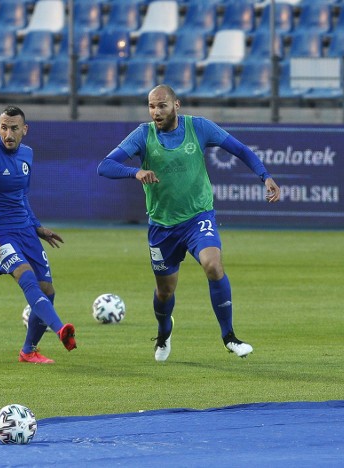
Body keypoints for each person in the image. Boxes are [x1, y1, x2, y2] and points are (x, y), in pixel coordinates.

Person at [97, 85, 281, 361]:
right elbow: (105, 166)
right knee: (165, 290)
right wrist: (135, 172)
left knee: (213, 265)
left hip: (198, 217)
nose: (156, 112)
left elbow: (239, 149)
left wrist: (264, 176)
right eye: (151, 106)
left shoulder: (199, 127)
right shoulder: (143, 134)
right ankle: (163, 333)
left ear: (176, 105)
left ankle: (229, 336)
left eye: (162, 106)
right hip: (161, 225)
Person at [0, 105, 76, 364]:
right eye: (3, 127)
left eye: (14, 128)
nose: (8, 133)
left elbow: (21, 197)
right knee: (27, 278)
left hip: (26, 230)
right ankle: (61, 329)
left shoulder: (27, 154)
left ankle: (28, 351)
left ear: (24, 130)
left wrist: (37, 227)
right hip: (0, 234)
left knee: (48, 290)